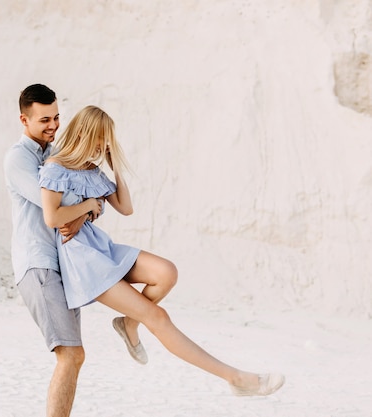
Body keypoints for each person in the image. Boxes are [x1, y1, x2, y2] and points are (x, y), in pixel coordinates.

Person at [38, 105, 285, 396]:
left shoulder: (92, 171)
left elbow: (126, 208)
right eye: (100, 140)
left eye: (107, 142)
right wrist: (90, 206)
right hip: (82, 262)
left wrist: (114, 164)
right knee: (159, 317)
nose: (102, 147)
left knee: (166, 273)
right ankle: (237, 379)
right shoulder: (56, 167)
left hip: (99, 247)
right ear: (83, 133)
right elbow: (53, 218)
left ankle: (129, 324)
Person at [4, 84, 91, 417]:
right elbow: (53, 204)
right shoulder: (17, 158)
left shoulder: (54, 154)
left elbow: (91, 192)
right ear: (24, 120)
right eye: (44, 120)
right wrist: (87, 205)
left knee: (75, 355)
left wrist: (90, 205)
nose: (53, 125)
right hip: (37, 263)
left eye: (56, 117)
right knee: (70, 354)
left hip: (61, 267)